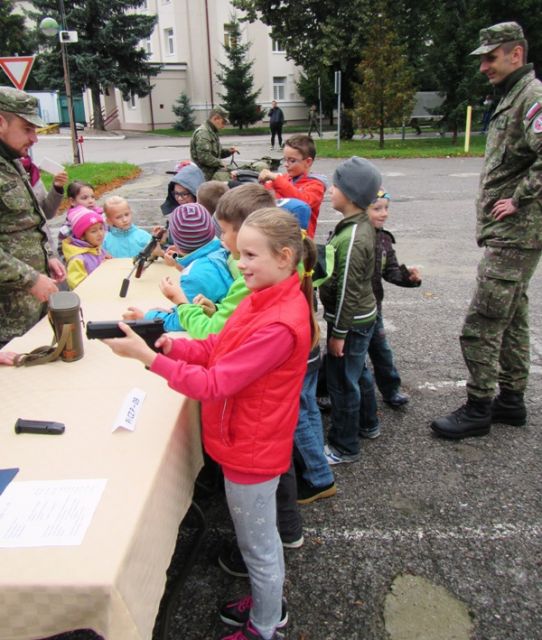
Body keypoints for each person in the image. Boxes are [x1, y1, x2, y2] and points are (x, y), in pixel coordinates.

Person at [104, 208, 318, 640]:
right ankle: (267, 604)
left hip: (252, 452)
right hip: (245, 440)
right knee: (257, 543)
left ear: (284, 257)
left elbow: (215, 383)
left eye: (250, 255)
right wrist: (170, 347)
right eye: (240, 254)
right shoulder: (262, 296)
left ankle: (265, 625)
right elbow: (220, 346)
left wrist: (148, 359)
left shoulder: (280, 323)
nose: (240, 263)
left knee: (259, 548)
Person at [431, 22, 542, 439]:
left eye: (491, 58)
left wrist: (518, 198)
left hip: (516, 233)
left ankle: (478, 407)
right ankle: (510, 401)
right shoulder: (514, 95)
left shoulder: (531, 96)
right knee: (512, 319)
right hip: (513, 234)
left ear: (516, 54)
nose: (483, 67)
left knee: (481, 324)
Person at [319, 156, 382, 465]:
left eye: (336, 186)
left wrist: (339, 334)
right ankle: (368, 423)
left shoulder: (354, 237)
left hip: (350, 322)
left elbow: (347, 290)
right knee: (358, 373)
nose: (330, 190)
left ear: (352, 194)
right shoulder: (356, 226)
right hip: (359, 319)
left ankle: (344, 446)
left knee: (343, 383)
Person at [0, 86, 66, 347]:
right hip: (8, 317)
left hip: (30, 307)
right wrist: (31, 278)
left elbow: (28, 220)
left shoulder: (11, 160)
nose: (34, 138)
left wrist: (47, 255)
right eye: (27, 129)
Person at [362, 189, 422, 418]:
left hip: (374, 308)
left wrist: (409, 278)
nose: (384, 213)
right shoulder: (349, 235)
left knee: (382, 352)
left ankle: (391, 390)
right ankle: (326, 389)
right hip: (352, 310)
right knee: (345, 354)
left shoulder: (384, 239)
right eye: (377, 208)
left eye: (386, 208)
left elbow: (391, 271)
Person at [139, 203, 233, 331]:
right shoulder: (223, 248)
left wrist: (148, 317)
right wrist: (179, 261)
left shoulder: (192, 278)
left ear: (176, 241)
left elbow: (184, 321)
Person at [258, 134, 328, 238]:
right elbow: (266, 194)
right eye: (285, 159)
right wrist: (260, 181)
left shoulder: (316, 185)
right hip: (279, 236)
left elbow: (303, 202)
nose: (286, 164)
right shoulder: (284, 179)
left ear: (308, 162)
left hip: (301, 240)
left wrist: (276, 179)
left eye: (292, 160)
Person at [62, 206, 108, 289]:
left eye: (101, 228)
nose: (100, 234)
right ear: (82, 236)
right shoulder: (77, 259)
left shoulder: (96, 248)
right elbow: (78, 285)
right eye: (93, 231)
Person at [190, 107, 239, 181]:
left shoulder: (211, 132)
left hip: (211, 175)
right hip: (204, 178)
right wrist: (220, 163)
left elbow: (215, 153)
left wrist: (228, 151)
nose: (223, 126)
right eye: (223, 122)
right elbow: (204, 157)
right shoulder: (204, 133)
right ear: (216, 118)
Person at [57, 180, 104, 251]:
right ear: (72, 201)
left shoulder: (100, 216)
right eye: (84, 198)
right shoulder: (68, 227)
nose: (91, 201)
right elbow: (62, 249)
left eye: (92, 197)